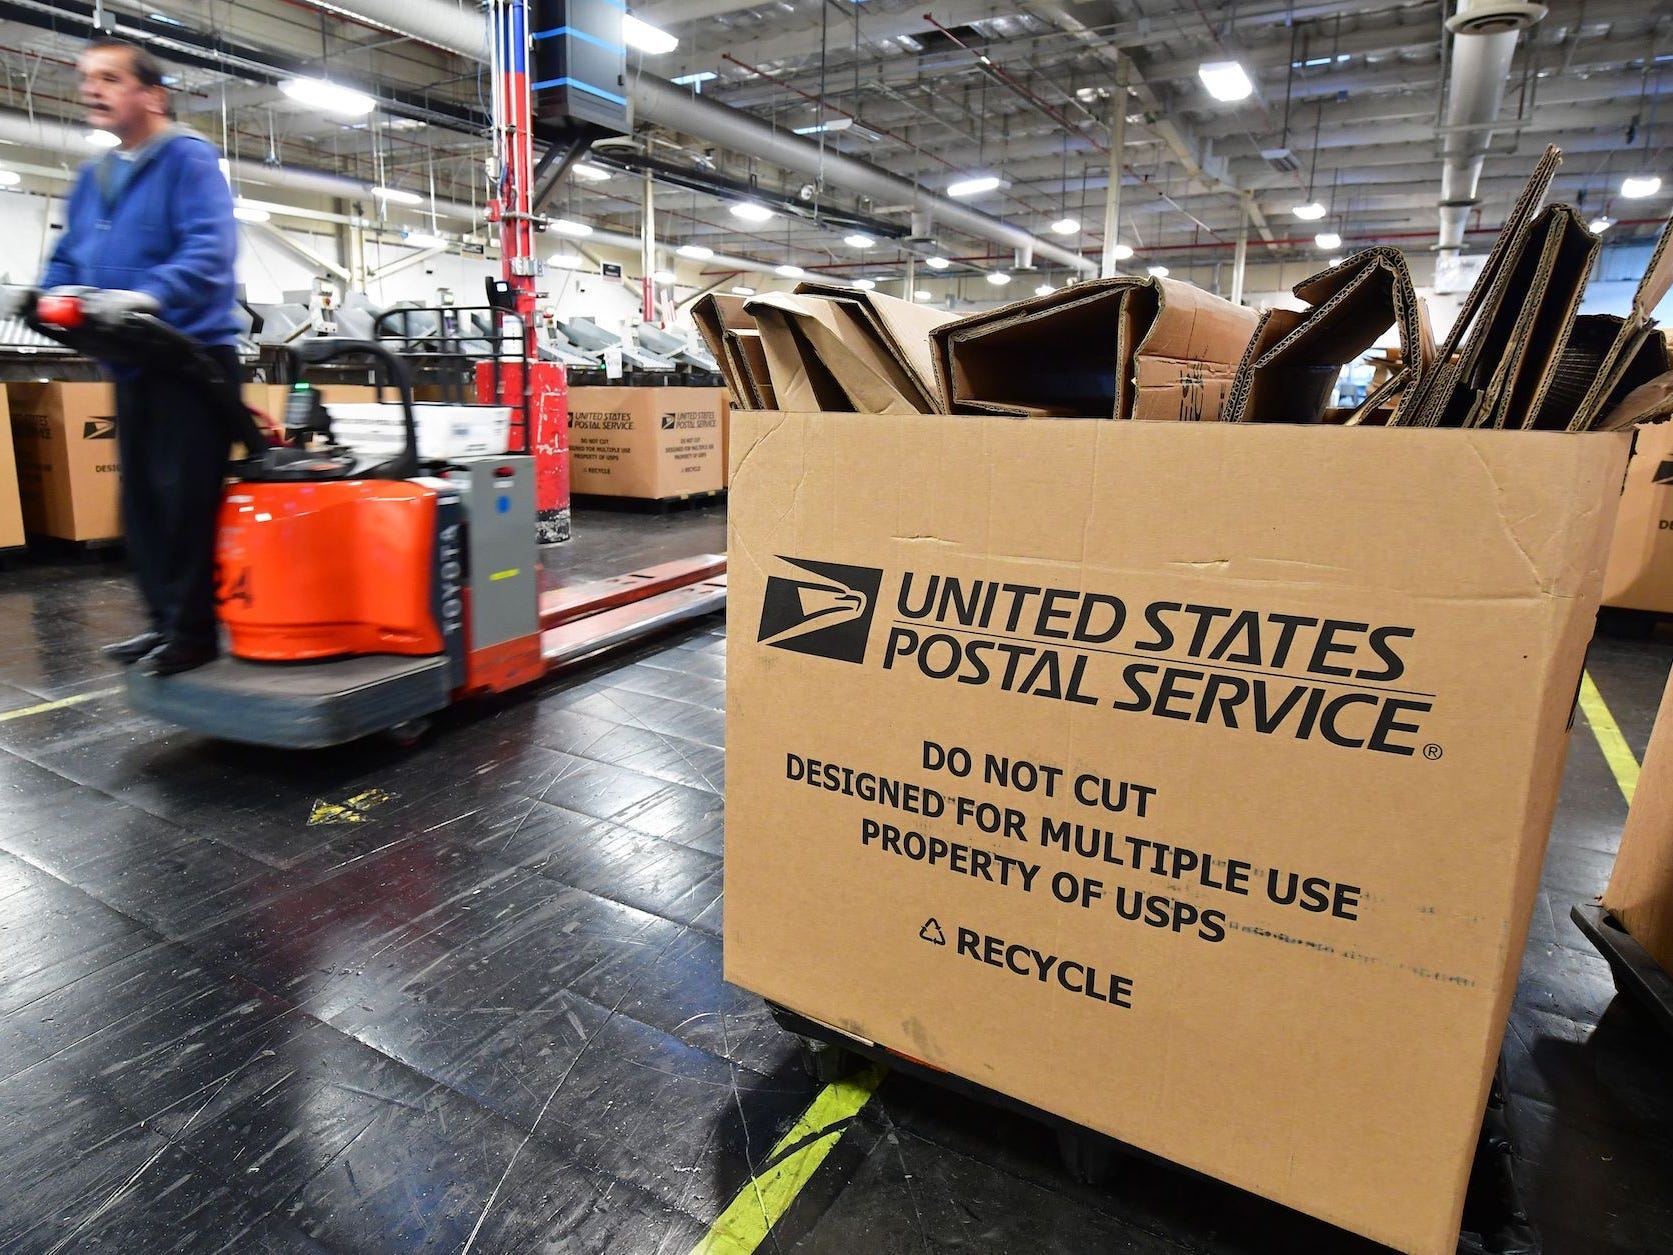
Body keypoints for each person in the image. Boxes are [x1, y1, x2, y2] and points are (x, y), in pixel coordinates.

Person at [40, 39, 239, 676]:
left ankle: (195, 633)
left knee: (186, 501)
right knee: (145, 504)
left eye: (109, 78)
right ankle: (163, 624)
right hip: (129, 361)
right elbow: (69, 258)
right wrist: (49, 294)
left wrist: (148, 295)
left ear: (151, 95)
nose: (92, 89)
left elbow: (208, 251)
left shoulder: (189, 161)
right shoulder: (95, 177)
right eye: (87, 78)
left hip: (191, 361)